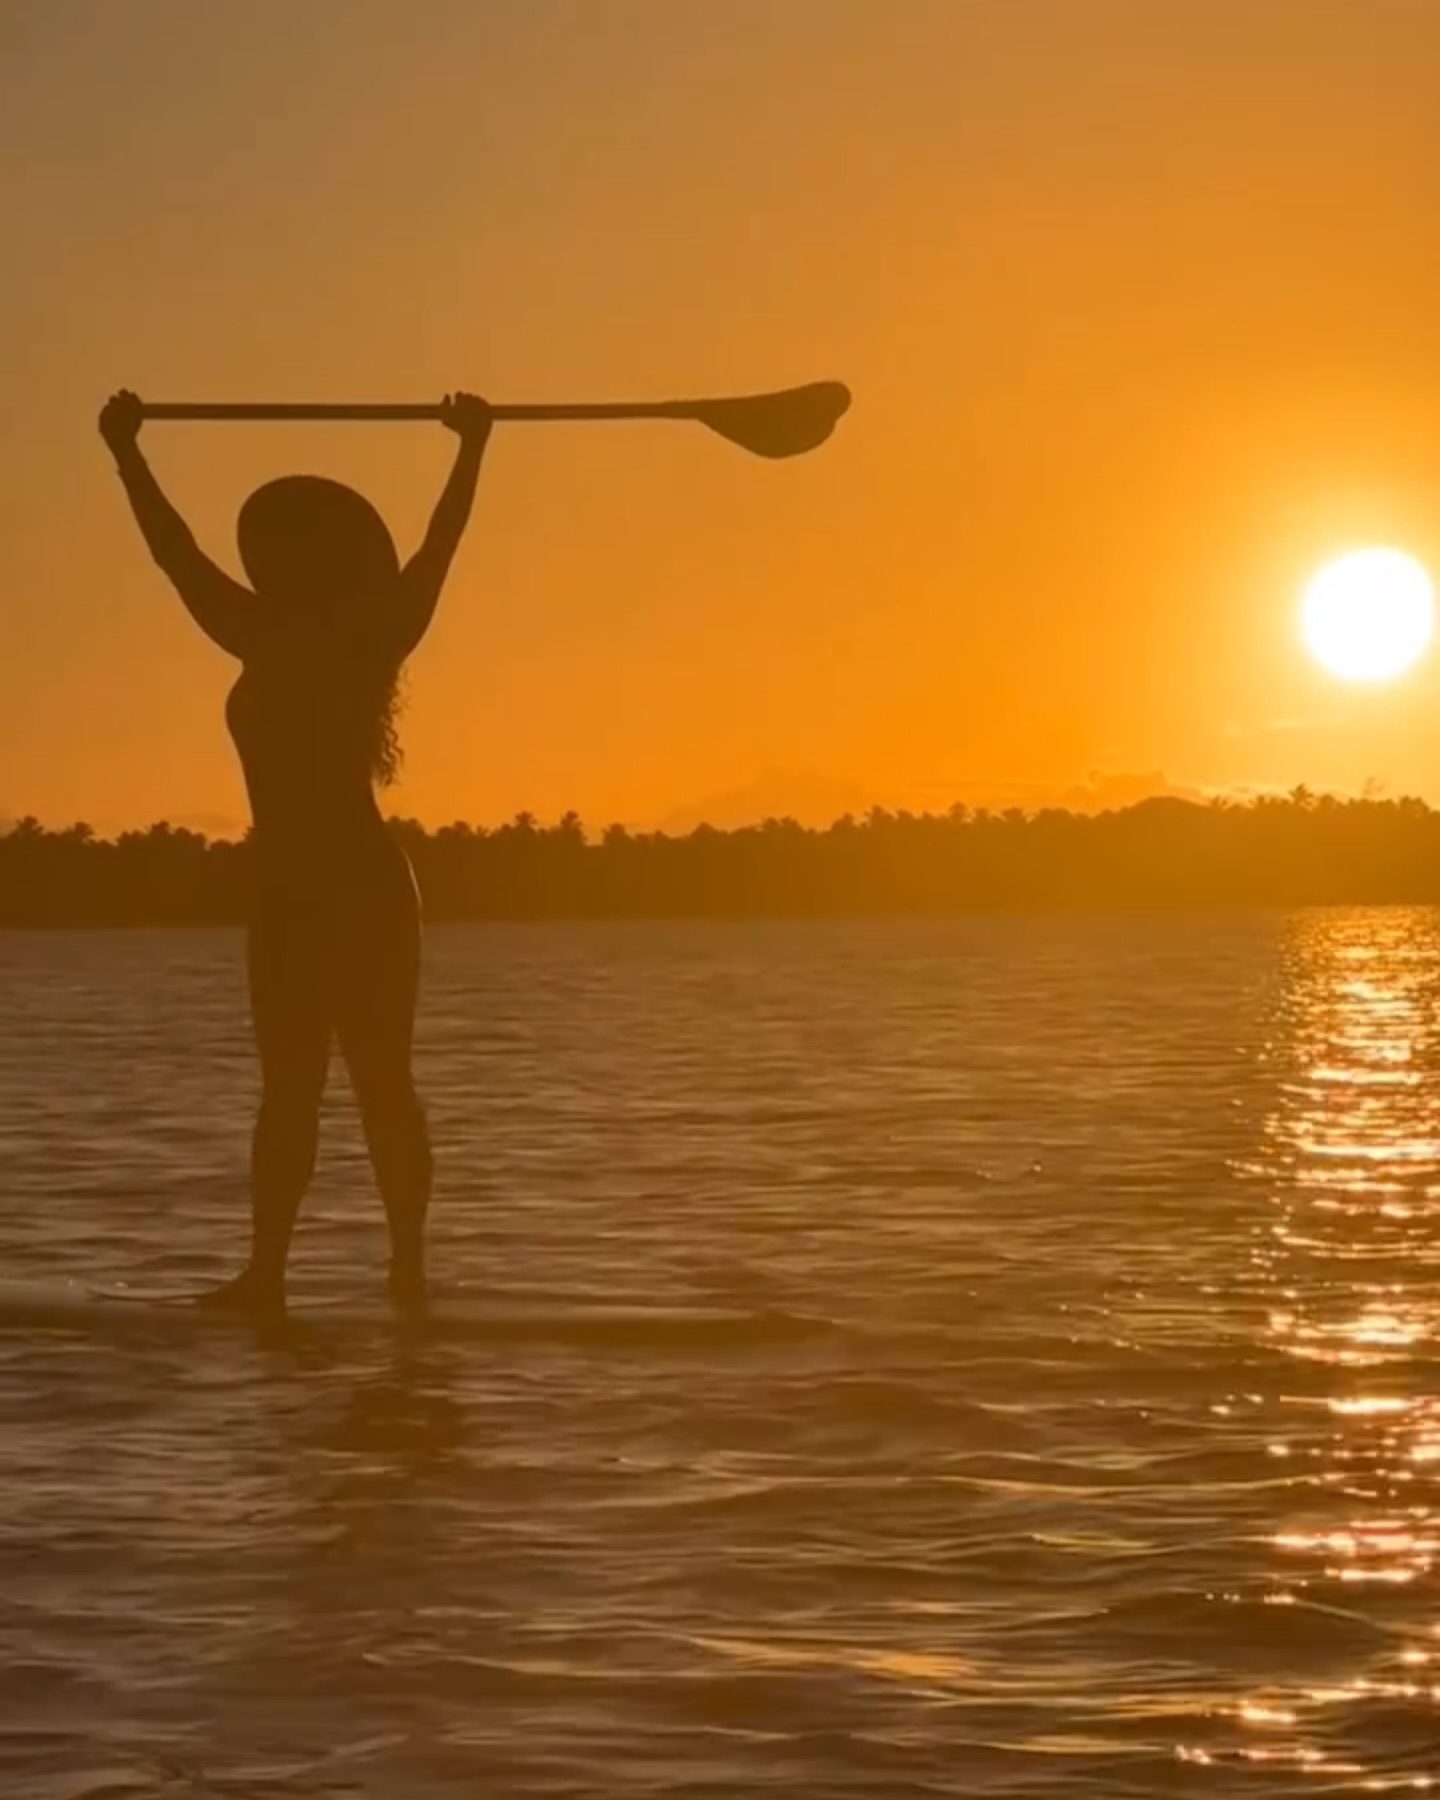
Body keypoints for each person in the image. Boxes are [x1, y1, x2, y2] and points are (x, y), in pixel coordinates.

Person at [98, 387, 493, 1317]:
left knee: (377, 1084)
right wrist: (126, 454)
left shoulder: (343, 634)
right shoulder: (281, 631)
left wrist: (473, 449)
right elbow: (175, 556)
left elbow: (443, 543)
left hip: (354, 887)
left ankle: (404, 1277)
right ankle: (271, 1278)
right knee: (293, 1092)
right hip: (289, 893)